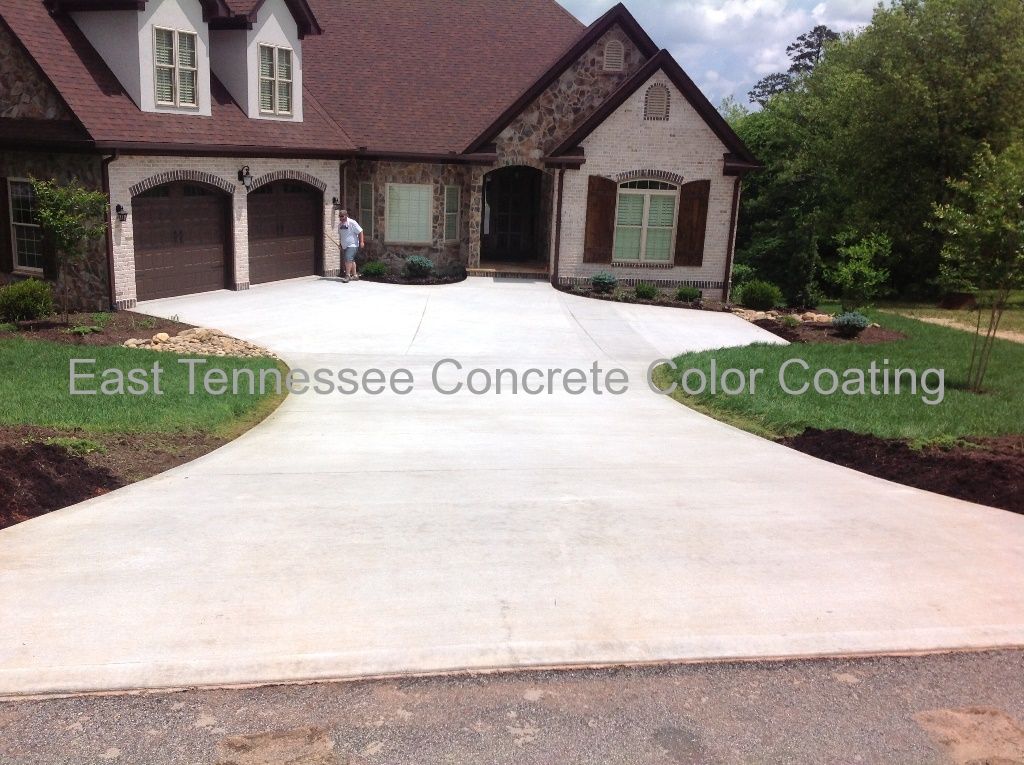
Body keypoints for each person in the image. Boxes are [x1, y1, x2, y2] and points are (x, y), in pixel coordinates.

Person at [338, 209, 364, 283]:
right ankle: (355, 275)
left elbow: (360, 231)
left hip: (353, 244)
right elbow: (342, 236)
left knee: (348, 258)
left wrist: (361, 241)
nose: (340, 218)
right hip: (344, 245)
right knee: (351, 260)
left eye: (342, 216)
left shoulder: (352, 222)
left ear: (346, 216)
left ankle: (347, 275)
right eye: (339, 216)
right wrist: (340, 244)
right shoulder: (340, 225)